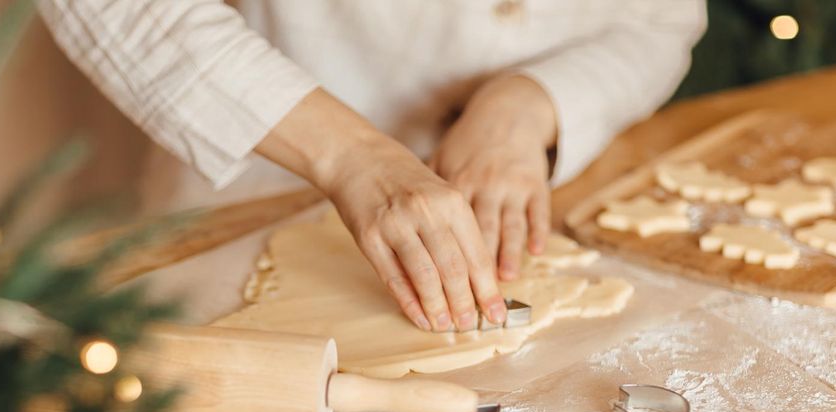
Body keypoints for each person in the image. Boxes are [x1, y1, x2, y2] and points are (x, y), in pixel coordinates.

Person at [39, 0, 706, 332]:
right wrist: (350, 154)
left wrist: (529, 105)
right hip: (256, 194)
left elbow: (663, 22)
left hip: (537, 190)